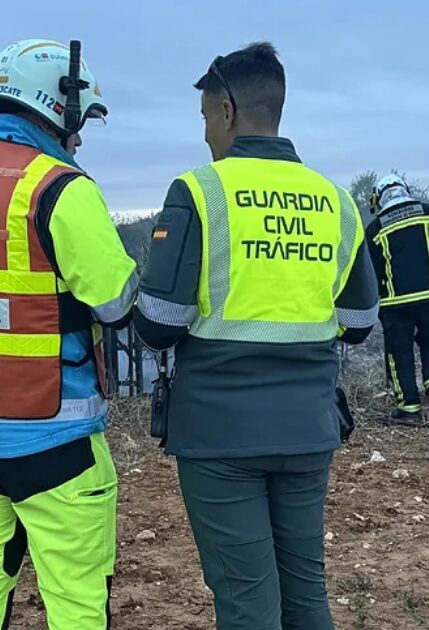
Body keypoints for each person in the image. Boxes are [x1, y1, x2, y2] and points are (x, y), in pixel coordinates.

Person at [132, 42, 378, 630]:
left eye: (204, 120)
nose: (205, 136)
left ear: (225, 110)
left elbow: (159, 325)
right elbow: (362, 323)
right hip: (308, 429)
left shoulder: (198, 191)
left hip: (220, 436)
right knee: (305, 590)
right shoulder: (336, 201)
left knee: (246, 599)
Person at [0, 39, 137, 629]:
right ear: (57, 105)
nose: (82, 134)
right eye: (82, 118)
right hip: (55, 439)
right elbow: (116, 303)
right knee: (76, 604)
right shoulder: (60, 189)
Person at [365, 174, 429, 419]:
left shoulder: (376, 227)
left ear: (380, 197)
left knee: (400, 351)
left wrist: (374, 302)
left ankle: (409, 406)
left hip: (394, 302)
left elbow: (371, 270)